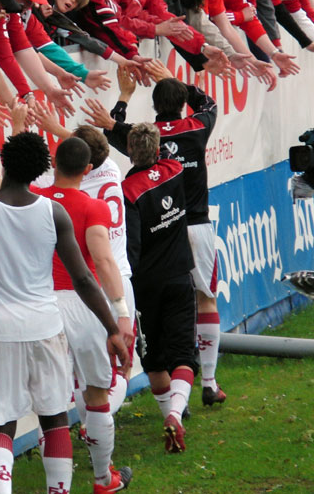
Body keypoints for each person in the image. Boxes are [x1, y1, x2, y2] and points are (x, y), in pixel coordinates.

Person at [0, 130, 129, 493]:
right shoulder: (54, 212)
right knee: (54, 420)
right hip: (45, 327)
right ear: (41, 170)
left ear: (4, 163)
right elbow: (83, 278)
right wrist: (113, 327)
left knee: (0, 426)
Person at [84, 63, 227, 409]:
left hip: (158, 245)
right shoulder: (195, 127)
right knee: (206, 300)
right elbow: (209, 104)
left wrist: (122, 100)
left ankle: (173, 396)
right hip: (196, 224)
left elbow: (116, 134)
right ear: (180, 103)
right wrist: (169, 78)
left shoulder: (142, 136)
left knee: (162, 320)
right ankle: (208, 382)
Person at [31, 137, 133, 494]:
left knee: (51, 404)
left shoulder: (33, 198)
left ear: (53, 164)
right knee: (96, 393)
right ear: (87, 171)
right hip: (83, 304)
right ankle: (104, 479)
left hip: (41, 305)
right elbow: (103, 261)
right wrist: (120, 313)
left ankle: (57, 488)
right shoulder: (93, 207)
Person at [120, 122, 197, 453]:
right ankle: (176, 417)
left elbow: (131, 248)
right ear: (156, 149)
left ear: (129, 152)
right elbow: (160, 151)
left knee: (153, 361)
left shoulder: (128, 191)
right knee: (183, 355)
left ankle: (171, 417)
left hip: (147, 287)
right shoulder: (174, 168)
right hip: (180, 277)